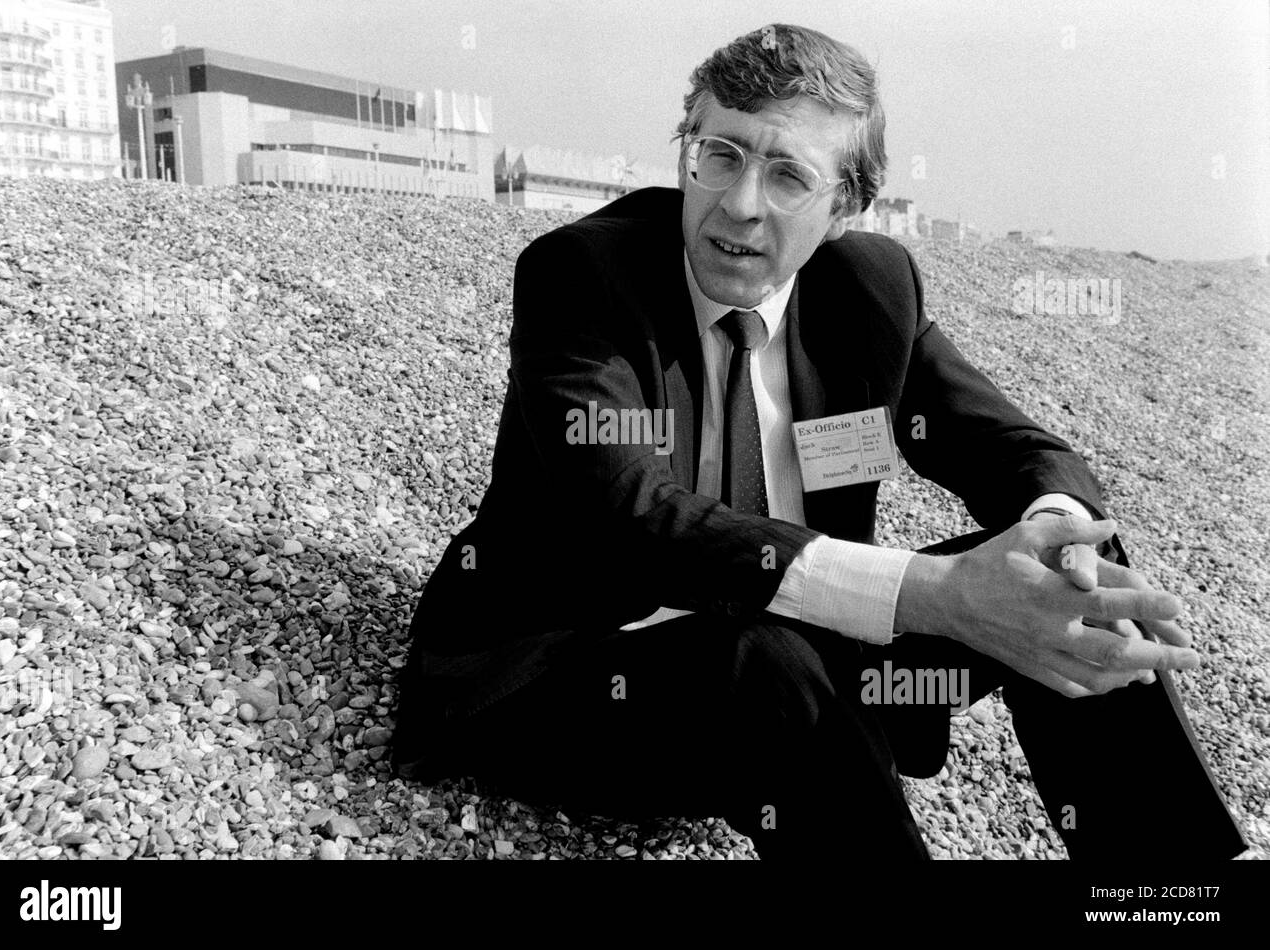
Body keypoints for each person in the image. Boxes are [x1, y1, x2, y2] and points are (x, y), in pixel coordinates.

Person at [390, 23, 1247, 860]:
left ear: (846, 205)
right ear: (685, 149)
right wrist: (934, 593)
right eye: (719, 153)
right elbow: (628, 515)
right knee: (765, 662)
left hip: (812, 674)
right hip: (573, 679)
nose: (739, 203)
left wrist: (1050, 522)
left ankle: (1170, 885)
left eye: (789, 175)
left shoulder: (869, 293)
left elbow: (1012, 448)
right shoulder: (585, 277)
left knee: (1065, 569)